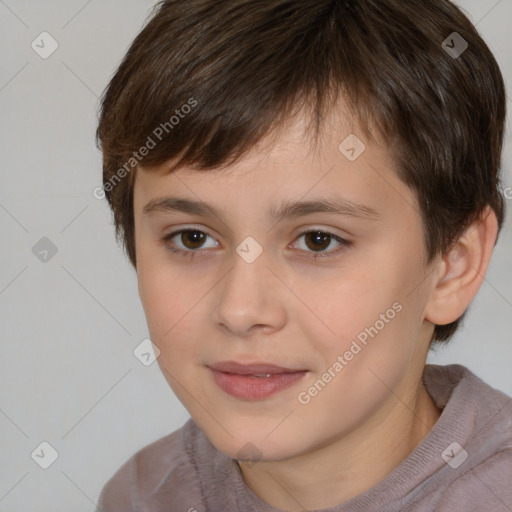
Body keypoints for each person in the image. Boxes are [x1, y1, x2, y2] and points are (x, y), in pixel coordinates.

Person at [94, 0, 512, 510]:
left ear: (453, 264)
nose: (240, 310)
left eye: (318, 240)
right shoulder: (143, 496)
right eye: (193, 238)